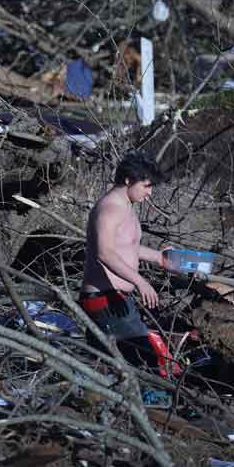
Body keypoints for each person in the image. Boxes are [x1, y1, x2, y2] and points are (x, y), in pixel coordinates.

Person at [80, 150, 173, 369]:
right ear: (129, 180)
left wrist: (159, 257)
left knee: (106, 365)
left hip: (116, 298)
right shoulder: (110, 209)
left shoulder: (126, 207)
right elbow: (106, 253)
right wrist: (141, 282)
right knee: (145, 362)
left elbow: (127, 247)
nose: (149, 193)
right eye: (146, 186)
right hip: (104, 299)